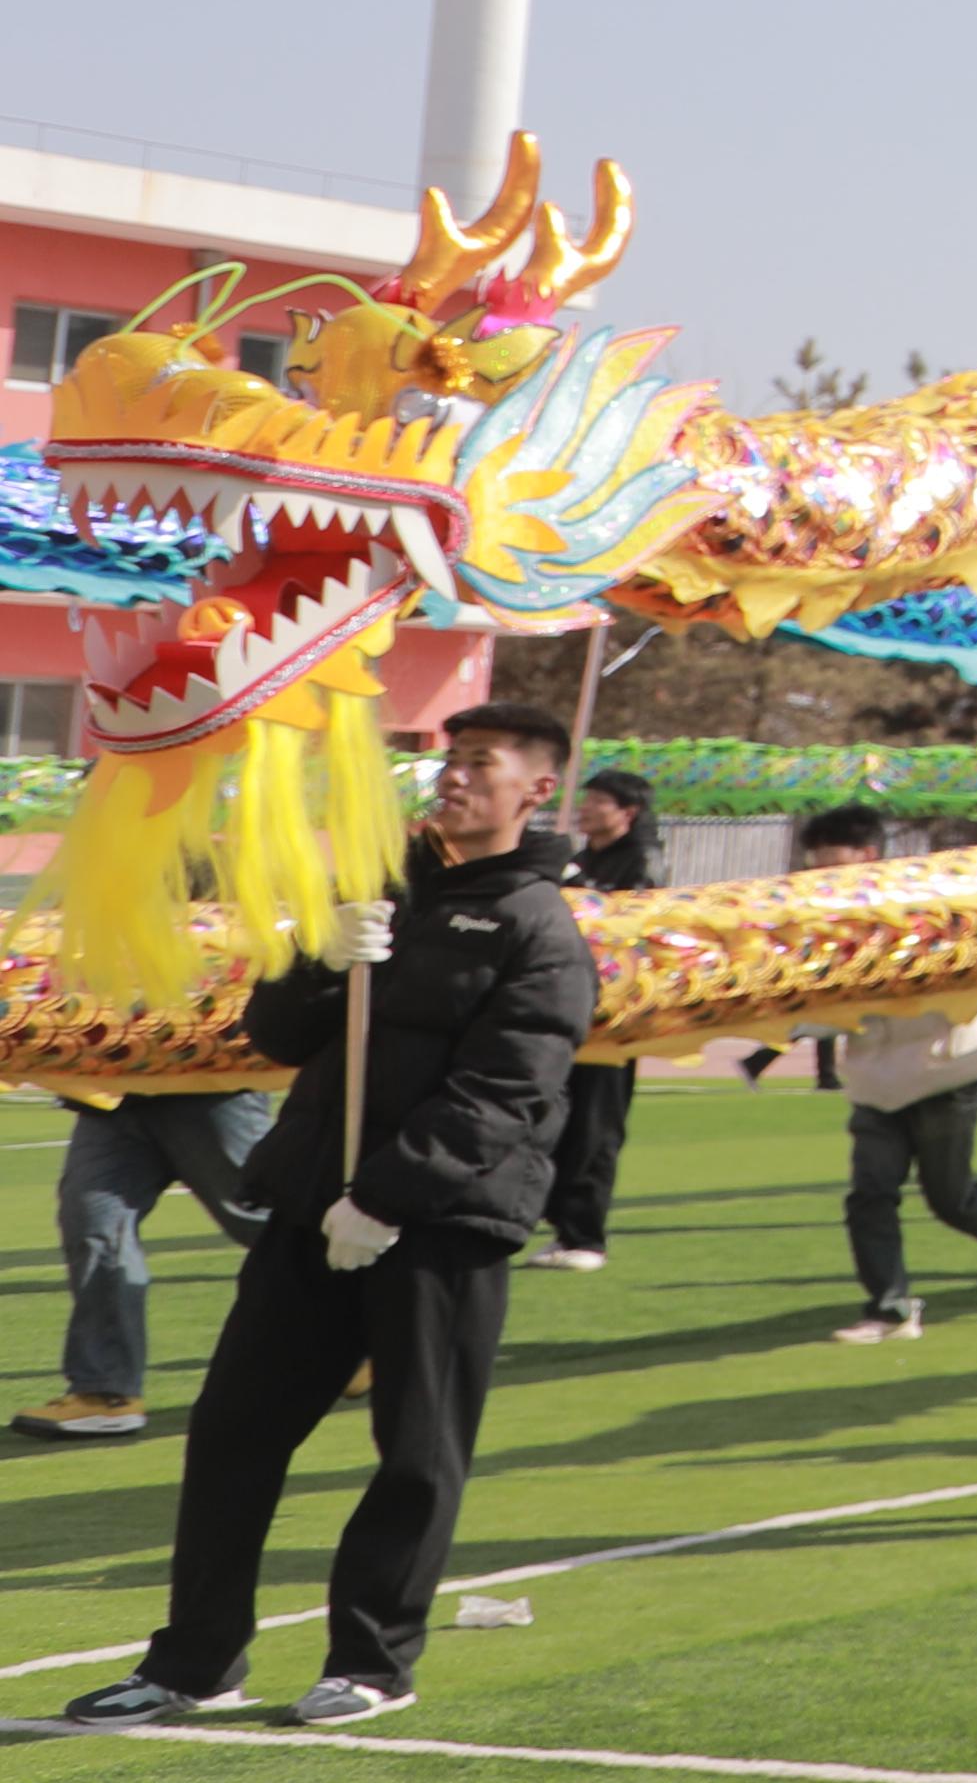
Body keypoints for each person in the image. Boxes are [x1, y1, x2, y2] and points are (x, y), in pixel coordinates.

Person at [61, 700, 599, 1729]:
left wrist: (387, 1196)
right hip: (314, 1203)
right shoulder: (381, 885)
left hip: (440, 1223)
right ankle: (194, 1662)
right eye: (448, 758)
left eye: (480, 763)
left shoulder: (539, 926)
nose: (453, 777)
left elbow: (505, 1093)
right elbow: (276, 1031)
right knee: (232, 1431)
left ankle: (373, 1660)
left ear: (537, 788)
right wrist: (323, 955)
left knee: (416, 1449)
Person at [802, 807, 977, 1340]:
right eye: (815, 861)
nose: (820, 871)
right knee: (869, 1194)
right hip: (874, 1080)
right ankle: (889, 1309)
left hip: (943, 1068)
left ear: (867, 856)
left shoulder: (925, 906)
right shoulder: (822, 923)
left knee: (951, 1197)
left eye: (830, 859)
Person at [24, 1063, 268, 1445]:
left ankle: (353, 1332)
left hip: (208, 1083)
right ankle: (107, 1393)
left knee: (267, 1223)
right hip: (111, 1090)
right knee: (93, 1226)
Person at [532, 760, 664, 1271]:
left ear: (627, 812)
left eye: (598, 801)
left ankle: (586, 1235)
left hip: (612, 1016)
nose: (585, 809)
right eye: (584, 799)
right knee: (555, 1118)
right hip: (567, 1005)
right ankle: (559, 1223)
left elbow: (632, 924)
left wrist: (579, 886)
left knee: (595, 1124)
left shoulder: (642, 863)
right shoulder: (580, 858)